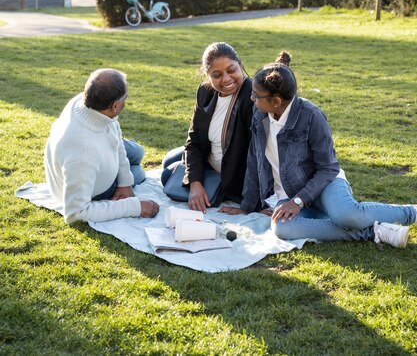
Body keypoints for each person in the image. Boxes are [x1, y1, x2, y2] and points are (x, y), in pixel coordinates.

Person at [220, 51, 417, 248]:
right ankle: (373, 231)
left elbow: (328, 168)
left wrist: (298, 201)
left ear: (277, 101)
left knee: (347, 215)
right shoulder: (259, 114)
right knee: (282, 227)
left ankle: (411, 212)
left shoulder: (311, 116)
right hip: (288, 193)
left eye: (256, 95)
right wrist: (246, 207)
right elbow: (255, 160)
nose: (252, 99)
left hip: (324, 185)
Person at [44, 68, 159, 224]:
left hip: (97, 151)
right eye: (126, 98)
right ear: (115, 106)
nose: (127, 100)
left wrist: (125, 182)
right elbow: (75, 214)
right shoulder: (82, 153)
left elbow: (114, 133)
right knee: (138, 172)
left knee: (138, 152)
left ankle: (125, 175)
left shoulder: (86, 101)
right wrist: (134, 206)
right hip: (91, 183)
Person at [161, 42, 253, 213]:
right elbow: (194, 140)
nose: (226, 79)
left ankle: (216, 187)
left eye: (231, 70)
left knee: (168, 175)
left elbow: (259, 155)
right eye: (217, 75)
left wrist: (251, 202)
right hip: (210, 160)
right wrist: (195, 183)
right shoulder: (205, 92)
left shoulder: (252, 95)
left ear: (240, 65)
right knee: (169, 162)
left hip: (233, 173)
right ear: (207, 75)